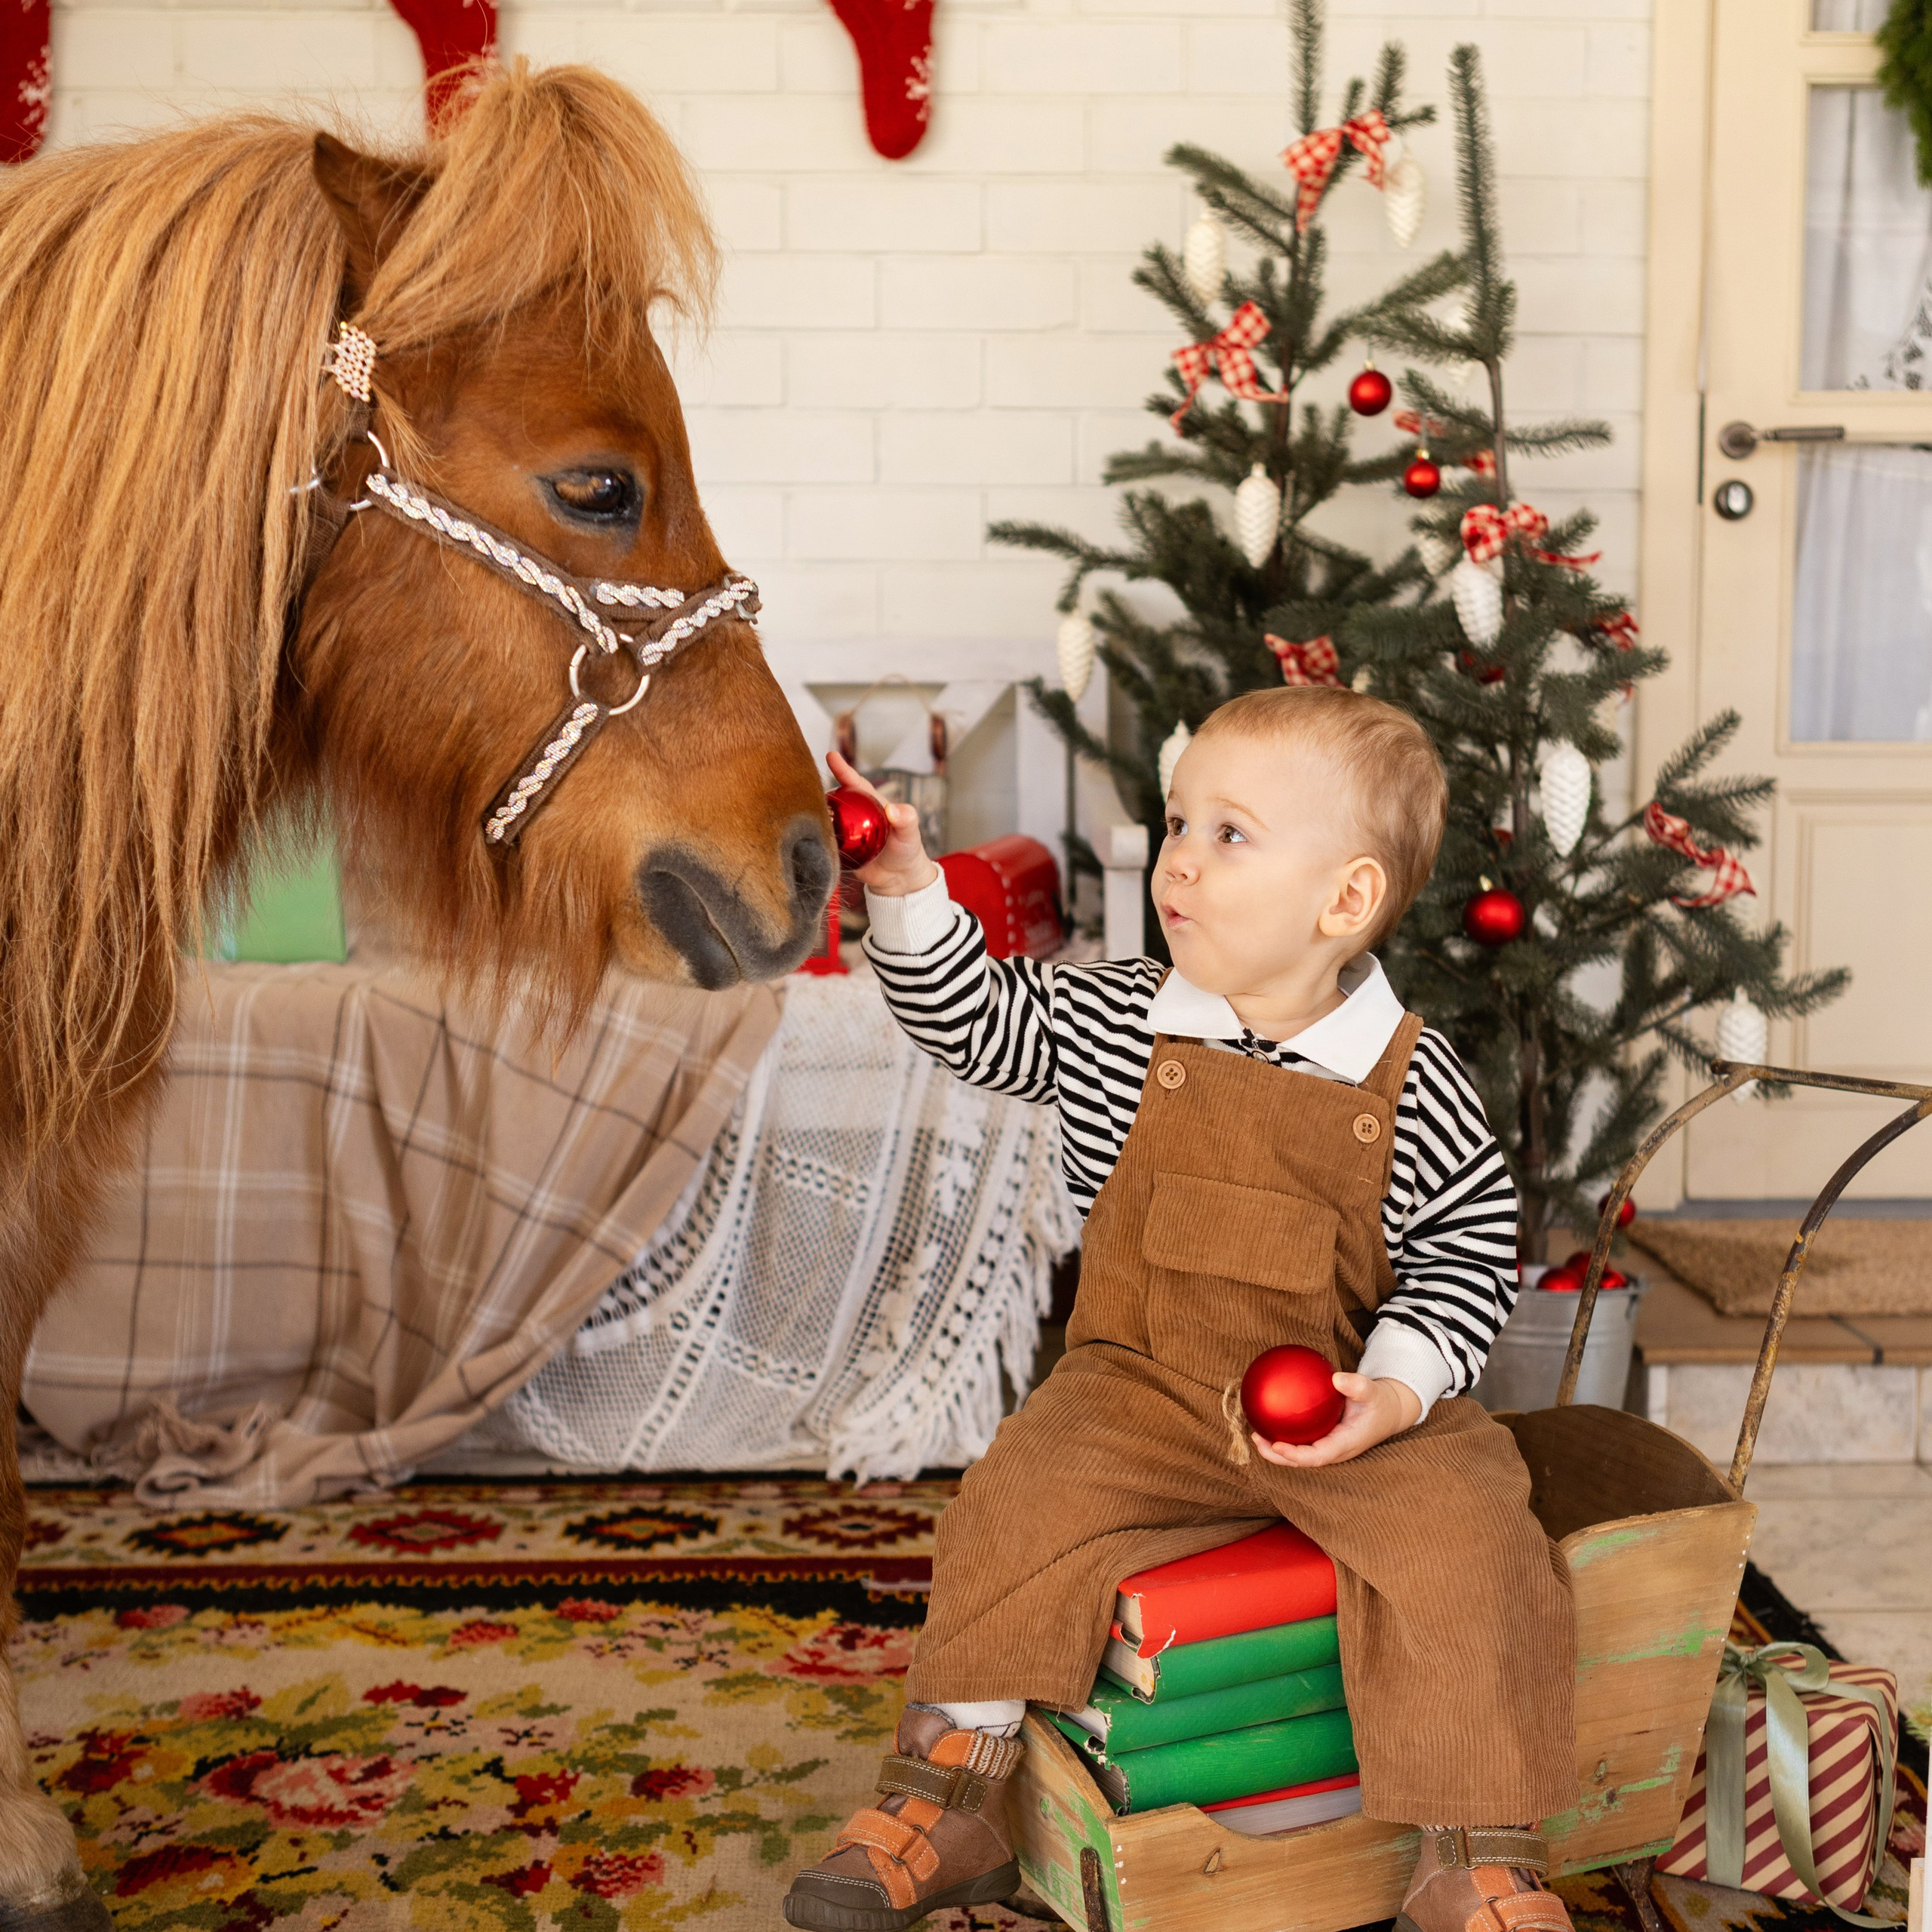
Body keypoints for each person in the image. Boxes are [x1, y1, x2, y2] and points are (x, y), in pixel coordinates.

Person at [783, 687, 1576, 1932]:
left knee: (1475, 1535)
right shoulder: (1112, 1020)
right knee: (1017, 1500)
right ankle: (958, 1788)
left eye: (1229, 835)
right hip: (1142, 1385)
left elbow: (1467, 1256)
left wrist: (1398, 1386)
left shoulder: (1412, 1076)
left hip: (1347, 1398)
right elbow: (969, 1023)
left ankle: (1473, 1844)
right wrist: (902, 879)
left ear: (1346, 902)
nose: (1179, 863)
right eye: (1177, 824)